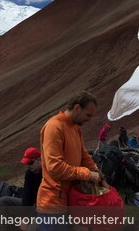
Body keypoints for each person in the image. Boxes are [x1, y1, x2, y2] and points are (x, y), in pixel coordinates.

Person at [37, 91, 102, 231]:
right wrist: (87, 174)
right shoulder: (54, 127)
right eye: (88, 115)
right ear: (77, 108)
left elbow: (83, 154)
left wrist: (96, 171)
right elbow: (55, 167)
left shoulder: (75, 127)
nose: (90, 120)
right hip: (52, 203)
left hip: (70, 198)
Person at [0, 147, 43, 230]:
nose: (28, 166)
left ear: (39, 159)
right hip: (32, 206)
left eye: (30, 163)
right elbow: (26, 196)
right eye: (27, 164)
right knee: (3, 201)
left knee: (31, 228)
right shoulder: (29, 174)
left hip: (43, 208)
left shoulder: (48, 172)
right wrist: (25, 217)